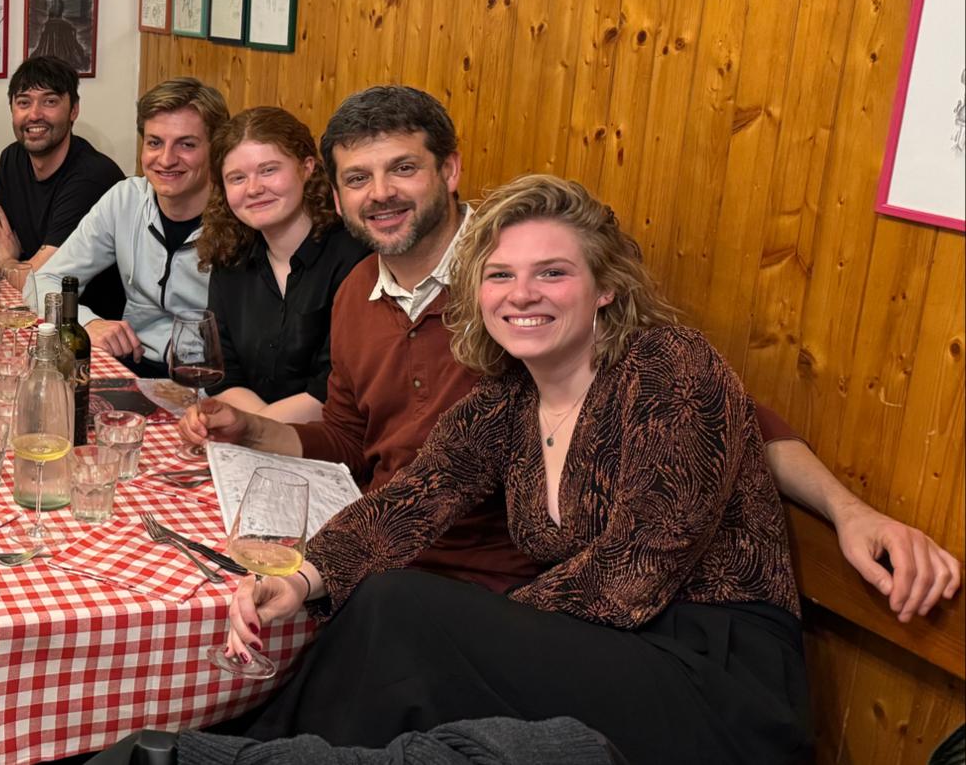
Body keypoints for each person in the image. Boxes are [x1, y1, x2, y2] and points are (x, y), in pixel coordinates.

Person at [186, 85, 963, 610]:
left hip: (527, 591)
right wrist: (254, 432)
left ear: (450, 170)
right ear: (337, 192)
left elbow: (724, 417)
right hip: (405, 563)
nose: (380, 192)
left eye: (403, 168)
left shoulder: (539, 303)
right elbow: (369, 450)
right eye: (358, 177)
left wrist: (851, 510)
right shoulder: (363, 291)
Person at [223, 176, 811, 764]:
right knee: (388, 616)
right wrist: (302, 580)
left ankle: (249, 753)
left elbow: (642, 562)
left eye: (552, 273)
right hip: (598, 648)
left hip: (709, 672)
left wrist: (484, 625)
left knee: (403, 608)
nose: (521, 295)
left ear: (605, 286)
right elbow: (410, 501)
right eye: (500, 275)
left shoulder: (668, 364)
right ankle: (260, 750)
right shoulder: (506, 399)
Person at [26, 78, 229, 376]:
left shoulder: (239, 217)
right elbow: (43, 282)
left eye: (186, 144)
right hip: (130, 365)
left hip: (207, 376)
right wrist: (87, 323)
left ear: (216, 149)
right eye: (155, 143)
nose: (166, 159)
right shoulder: (126, 199)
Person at [198, 107, 368, 425]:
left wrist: (255, 428)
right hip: (248, 430)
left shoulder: (355, 257)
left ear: (307, 167)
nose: (253, 188)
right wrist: (256, 428)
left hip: (327, 440)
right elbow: (221, 371)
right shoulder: (230, 256)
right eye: (237, 178)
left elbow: (334, 387)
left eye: (268, 170)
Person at [0, 57, 124, 318]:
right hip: (33, 312)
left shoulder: (92, 177)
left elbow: (38, 280)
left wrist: (5, 262)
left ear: (73, 110)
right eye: (24, 102)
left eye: (49, 102)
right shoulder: (12, 158)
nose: (34, 114)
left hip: (84, 324)